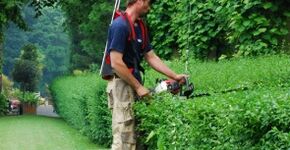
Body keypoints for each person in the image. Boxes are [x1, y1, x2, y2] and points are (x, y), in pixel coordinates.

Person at [105, 0, 187, 149]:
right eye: (148, 2)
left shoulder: (139, 27)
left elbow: (151, 57)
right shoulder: (120, 26)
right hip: (122, 85)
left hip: (134, 85)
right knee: (124, 140)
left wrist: (175, 76)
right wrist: (138, 87)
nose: (150, 6)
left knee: (136, 139)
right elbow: (116, 63)